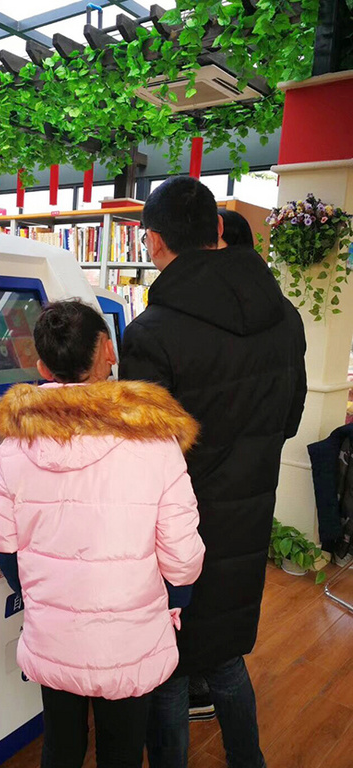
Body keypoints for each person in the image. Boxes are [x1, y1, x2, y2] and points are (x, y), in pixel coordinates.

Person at [119, 176, 307, 768]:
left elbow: (144, 456)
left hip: (177, 530)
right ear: (218, 232)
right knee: (225, 658)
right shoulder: (283, 315)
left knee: (169, 669)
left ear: (153, 240)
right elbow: (289, 417)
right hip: (248, 515)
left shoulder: (151, 333)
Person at [0, 300, 206, 768]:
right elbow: (182, 552)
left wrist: (40, 592)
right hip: (131, 635)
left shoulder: (19, 440)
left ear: (42, 367)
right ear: (107, 351)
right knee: (123, 757)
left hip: (54, 630)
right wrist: (173, 600)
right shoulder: (154, 435)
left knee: (60, 750)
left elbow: (2, 541)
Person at [188, 207, 255, 723]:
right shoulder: (283, 317)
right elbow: (292, 410)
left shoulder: (179, 321)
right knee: (226, 613)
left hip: (194, 490)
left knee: (192, 606)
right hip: (250, 488)